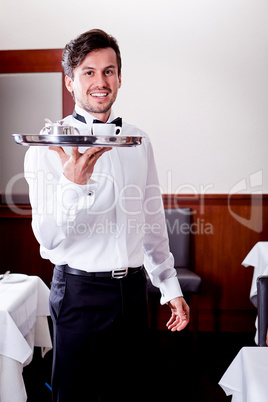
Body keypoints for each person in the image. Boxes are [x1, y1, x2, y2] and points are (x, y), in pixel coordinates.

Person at [24, 29, 190, 402]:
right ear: (70, 81)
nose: (101, 82)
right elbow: (47, 238)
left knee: (129, 393)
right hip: (78, 293)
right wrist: (74, 185)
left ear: (119, 77)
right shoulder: (48, 146)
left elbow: (150, 221)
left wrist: (169, 287)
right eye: (88, 72)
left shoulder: (138, 140)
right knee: (75, 395)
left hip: (132, 293)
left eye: (109, 71)